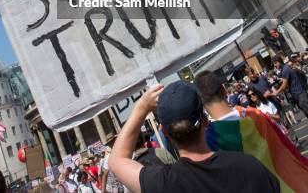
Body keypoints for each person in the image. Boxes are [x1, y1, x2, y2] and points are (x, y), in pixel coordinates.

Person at [109, 81, 279, 193]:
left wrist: (142, 107)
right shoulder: (249, 167)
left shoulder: (165, 184)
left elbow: (116, 161)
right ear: (205, 121)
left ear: (165, 134)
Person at [195, 70, 308, 191]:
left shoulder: (209, 140)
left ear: (201, 102)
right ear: (224, 90)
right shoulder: (257, 115)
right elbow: (287, 149)